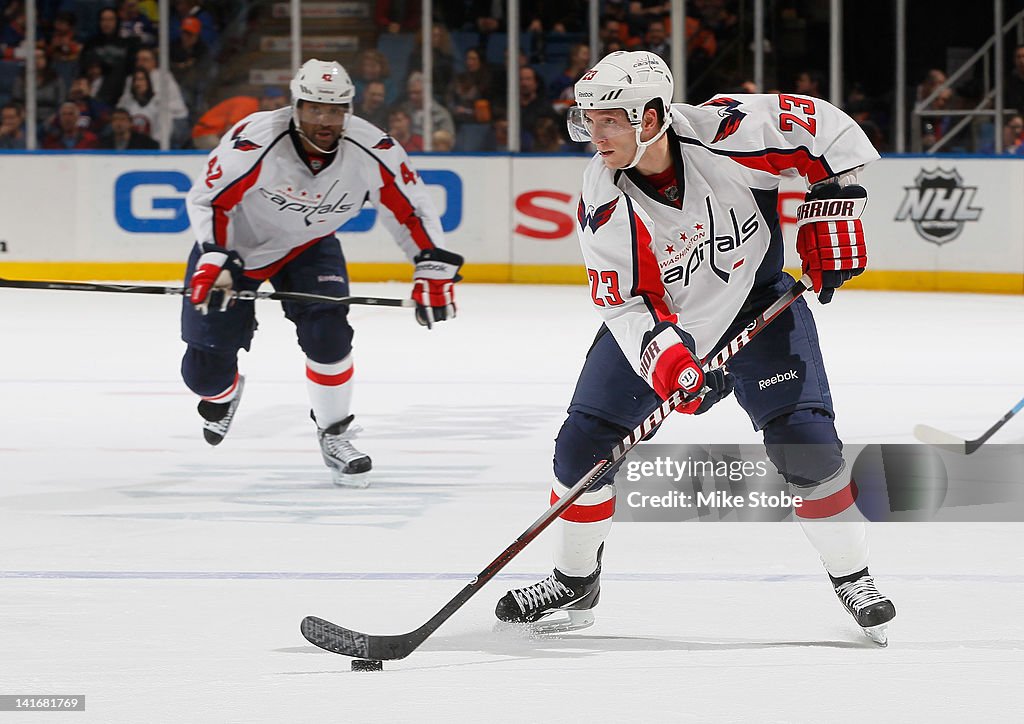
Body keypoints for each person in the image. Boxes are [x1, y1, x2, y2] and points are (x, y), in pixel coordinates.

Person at [495, 51, 897, 645]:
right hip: (670, 327)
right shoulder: (604, 197)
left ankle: (853, 577)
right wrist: (671, 361)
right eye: (589, 120)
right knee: (580, 448)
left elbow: (831, 132)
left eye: (610, 120)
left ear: (652, 117)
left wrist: (836, 203)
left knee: (806, 444)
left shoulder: (729, 130)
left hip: (758, 308)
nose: (595, 135)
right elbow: (625, 304)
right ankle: (575, 579)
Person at [180, 59, 463, 488]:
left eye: (334, 110)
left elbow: (411, 210)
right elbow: (210, 200)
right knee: (204, 373)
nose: (324, 120)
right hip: (235, 249)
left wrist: (432, 269)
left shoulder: (373, 150)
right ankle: (224, 392)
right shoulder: (255, 139)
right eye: (313, 108)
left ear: (347, 110)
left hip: (308, 245)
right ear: (296, 106)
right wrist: (214, 258)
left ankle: (336, 432)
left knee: (329, 335)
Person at [191, 86, 287, 149]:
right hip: (206, 134)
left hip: (216, 134)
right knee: (227, 152)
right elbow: (231, 129)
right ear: (266, 100)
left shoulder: (257, 109)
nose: (277, 109)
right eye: (277, 105)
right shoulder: (247, 104)